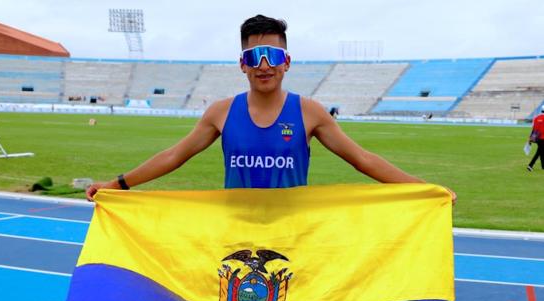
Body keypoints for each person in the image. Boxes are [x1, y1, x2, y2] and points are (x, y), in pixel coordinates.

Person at [87, 15, 454, 201]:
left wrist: (425, 189)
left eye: (273, 55)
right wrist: (118, 185)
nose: (264, 64)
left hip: (293, 234)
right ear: (242, 63)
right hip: (235, 235)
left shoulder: (310, 112)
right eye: (254, 56)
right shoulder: (221, 112)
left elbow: (363, 159)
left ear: (287, 61)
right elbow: (174, 155)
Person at [527, 105, 544, 171]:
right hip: (543, 138)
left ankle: (543, 166)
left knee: (541, 152)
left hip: (537, 138)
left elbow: (533, 129)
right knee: (539, 152)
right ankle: (530, 165)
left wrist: (530, 138)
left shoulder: (536, 118)